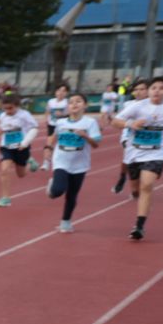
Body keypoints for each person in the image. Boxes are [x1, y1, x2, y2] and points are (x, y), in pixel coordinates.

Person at [115, 75, 163, 241]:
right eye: (153, 88)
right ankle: (135, 194)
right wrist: (130, 124)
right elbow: (116, 121)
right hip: (134, 153)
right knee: (135, 189)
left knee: (147, 185)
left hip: (157, 153)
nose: (157, 91)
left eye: (161, 88)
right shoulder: (138, 106)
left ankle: (139, 226)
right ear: (149, 90)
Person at [45, 93, 101, 234]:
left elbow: (96, 144)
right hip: (60, 161)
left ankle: (66, 222)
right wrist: (49, 148)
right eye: (71, 102)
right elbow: (53, 137)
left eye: (78, 101)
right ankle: (53, 189)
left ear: (85, 105)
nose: (74, 104)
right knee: (58, 191)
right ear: (68, 107)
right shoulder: (61, 123)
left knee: (72, 195)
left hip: (80, 165)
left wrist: (85, 136)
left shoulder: (90, 122)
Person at [0, 94, 38, 208]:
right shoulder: (2, 116)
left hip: (21, 147)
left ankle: (29, 163)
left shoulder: (25, 115)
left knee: (21, 174)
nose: (8, 111)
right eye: (5, 108)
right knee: (4, 169)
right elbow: (2, 127)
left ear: (17, 106)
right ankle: (5, 198)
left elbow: (34, 128)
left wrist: (26, 142)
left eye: (10, 108)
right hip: (6, 147)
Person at [106, 79, 148, 195]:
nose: (138, 92)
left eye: (142, 89)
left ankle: (138, 182)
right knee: (129, 158)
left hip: (147, 138)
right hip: (128, 136)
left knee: (142, 162)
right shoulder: (128, 104)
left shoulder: (155, 105)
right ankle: (122, 177)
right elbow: (119, 119)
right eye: (136, 90)